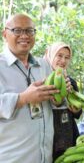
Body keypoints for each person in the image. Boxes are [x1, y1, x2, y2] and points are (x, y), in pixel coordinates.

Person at [0, 14, 59, 163]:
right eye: (17, 30)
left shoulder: (44, 65)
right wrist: (23, 98)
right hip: (12, 158)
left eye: (29, 31)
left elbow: (54, 103)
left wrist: (59, 96)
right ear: (5, 34)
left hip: (44, 156)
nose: (24, 36)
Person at [44, 42, 82, 161]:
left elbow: (77, 114)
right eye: (59, 55)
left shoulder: (70, 82)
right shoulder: (41, 82)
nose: (63, 61)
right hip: (49, 138)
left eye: (67, 57)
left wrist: (77, 110)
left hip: (69, 135)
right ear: (50, 55)